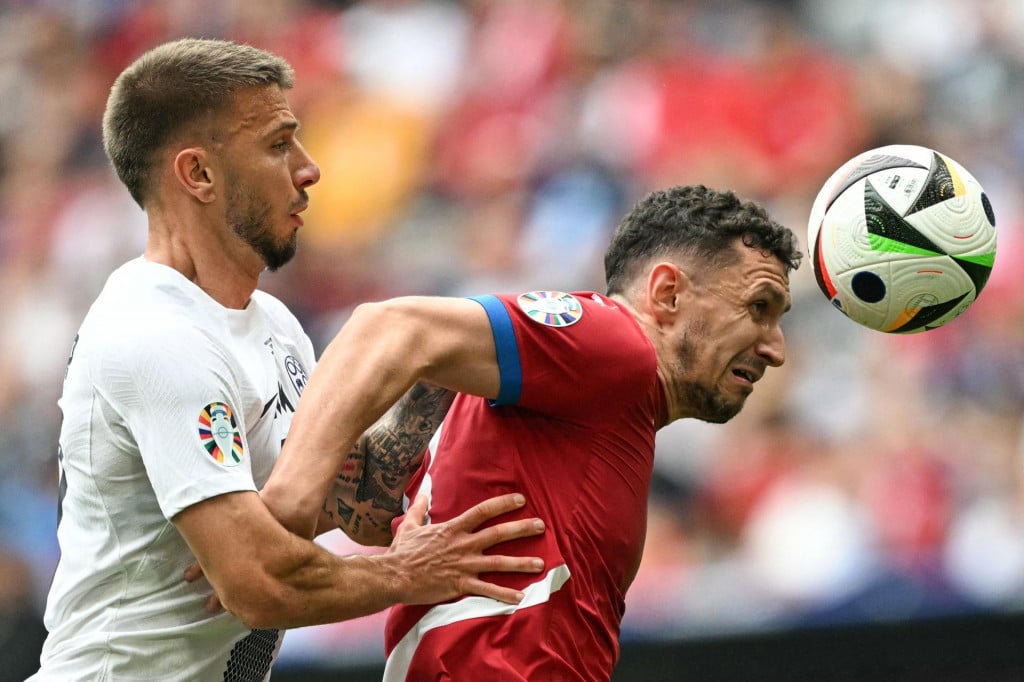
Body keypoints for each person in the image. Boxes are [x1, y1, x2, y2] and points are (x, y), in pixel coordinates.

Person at [30, 38, 546, 682]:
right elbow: (256, 584)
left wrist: (442, 360)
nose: (310, 169)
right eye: (278, 145)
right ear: (199, 175)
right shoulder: (154, 333)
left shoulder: (272, 326)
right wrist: (408, 574)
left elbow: (355, 502)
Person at [261, 184, 804, 680]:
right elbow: (390, 328)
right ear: (666, 294)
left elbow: (373, 498)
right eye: (758, 308)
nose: (775, 348)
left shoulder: (582, 406)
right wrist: (287, 507)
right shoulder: (616, 348)